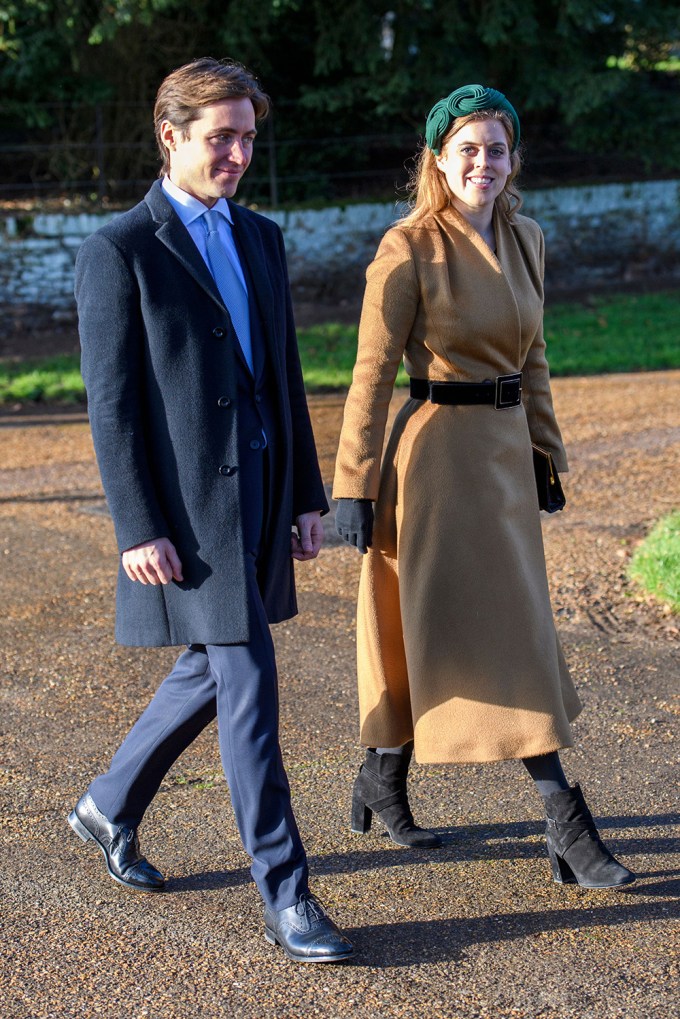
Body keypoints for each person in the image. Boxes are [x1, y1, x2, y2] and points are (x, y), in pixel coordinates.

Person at [69, 57, 354, 963]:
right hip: (189, 517)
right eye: (220, 136)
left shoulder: (262, 237)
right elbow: (111, 405)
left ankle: (107, 803)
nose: (237, 153)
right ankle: (286, 890)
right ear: (172, 136)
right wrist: (135, 525)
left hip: (265, 497)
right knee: (250, 684)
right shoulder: (121, 249)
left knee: (212, 669)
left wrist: (309, 496)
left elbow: (282, 375)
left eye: (247, 138)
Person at [333, 84, 634, 889]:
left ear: (513, 159)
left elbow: (533, 357)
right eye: (466, 148)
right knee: (490, 631)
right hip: (431, 463)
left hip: (502, 457)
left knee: (457, 624)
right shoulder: (408, 247)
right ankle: (565, 817)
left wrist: (546, 452)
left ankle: (379, 778)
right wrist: (353, 486)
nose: (483, 163)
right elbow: (370, 374)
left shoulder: (527, 236)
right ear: (437, 159)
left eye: (496, 148)